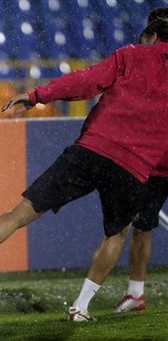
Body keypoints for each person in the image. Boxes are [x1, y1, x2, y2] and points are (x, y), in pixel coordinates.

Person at [0, 19, 168, 322]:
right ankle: (81, 307)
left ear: (153, 37)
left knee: (20, 212)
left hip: (91, 149)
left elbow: (86, 81)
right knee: (116, 234)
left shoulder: (133, 55)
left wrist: (38, 95)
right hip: (133, 166)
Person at [113, 9, 168, 313]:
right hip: (153, 159)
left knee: (138, 226)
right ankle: (136, 293)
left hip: (152, 158)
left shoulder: (141, 56)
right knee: (141, 226)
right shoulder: (143, 57)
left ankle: (136, 292)